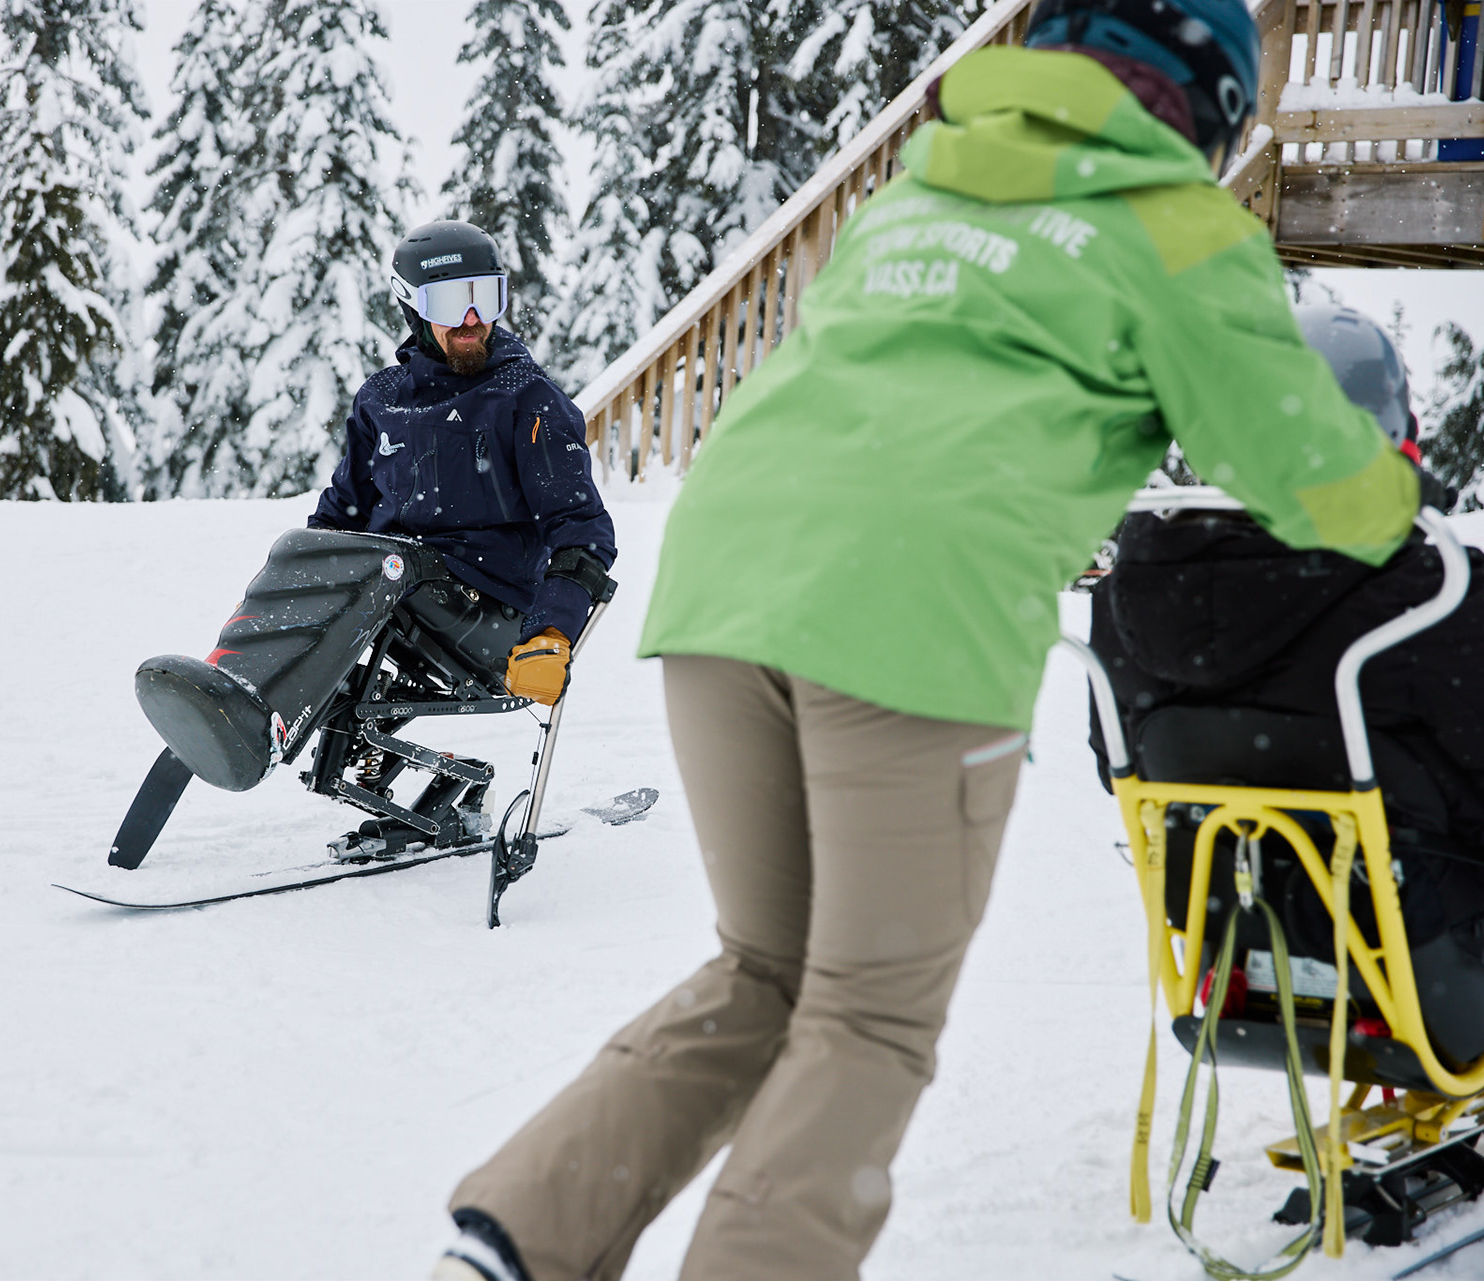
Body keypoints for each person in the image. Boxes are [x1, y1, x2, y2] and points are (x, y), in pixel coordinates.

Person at [432, 1, 1423, 1278]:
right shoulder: (1180, 227)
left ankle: (522, 1244)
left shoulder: (917, 200)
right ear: (1212, 103)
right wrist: (1391, 490)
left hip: (726, 586)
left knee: (765, 969)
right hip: (908, 618)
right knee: (871, 1017)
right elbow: (1307, 476)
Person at [1087, 305, 1484, 854]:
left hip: (1227, 916)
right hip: (1421, 925)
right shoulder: (1430, 601)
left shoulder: (1128, 604)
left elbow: (1120, 770)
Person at [310, 220, 615, 706]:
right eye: (452, 303)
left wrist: (551, 631)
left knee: (383, 570)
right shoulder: (381, 400)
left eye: (486, 298)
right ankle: (239, 690)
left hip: (494, 614)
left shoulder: (525, 399)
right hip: (397, 594)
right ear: (411, 305)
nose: (473, 319)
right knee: (302, 553)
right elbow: (339, 517)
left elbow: (580, 527)